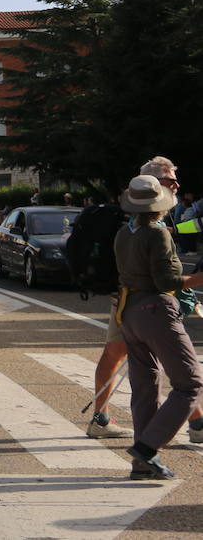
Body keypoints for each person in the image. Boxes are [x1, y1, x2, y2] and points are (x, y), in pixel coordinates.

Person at [113, 174, 203, 480]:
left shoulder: (123, 233)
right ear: (159, 204)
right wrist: (200, 277)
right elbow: (167, 282)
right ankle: (147, 449)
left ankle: (142, 463)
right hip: (156, 310)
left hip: (129, 312)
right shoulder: (157, 233)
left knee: (144, 389)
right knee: (189, 384)